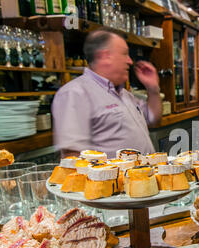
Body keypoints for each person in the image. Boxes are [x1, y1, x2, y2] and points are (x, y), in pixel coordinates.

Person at [52, 29, 162, 158]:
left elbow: (154, 120)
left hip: (143, 175)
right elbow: (71, 157)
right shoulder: (75, 93)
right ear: (104, 56)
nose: (130, 61)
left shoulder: (125, 94)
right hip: (114, 178)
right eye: (124, 54)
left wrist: (153, 88)